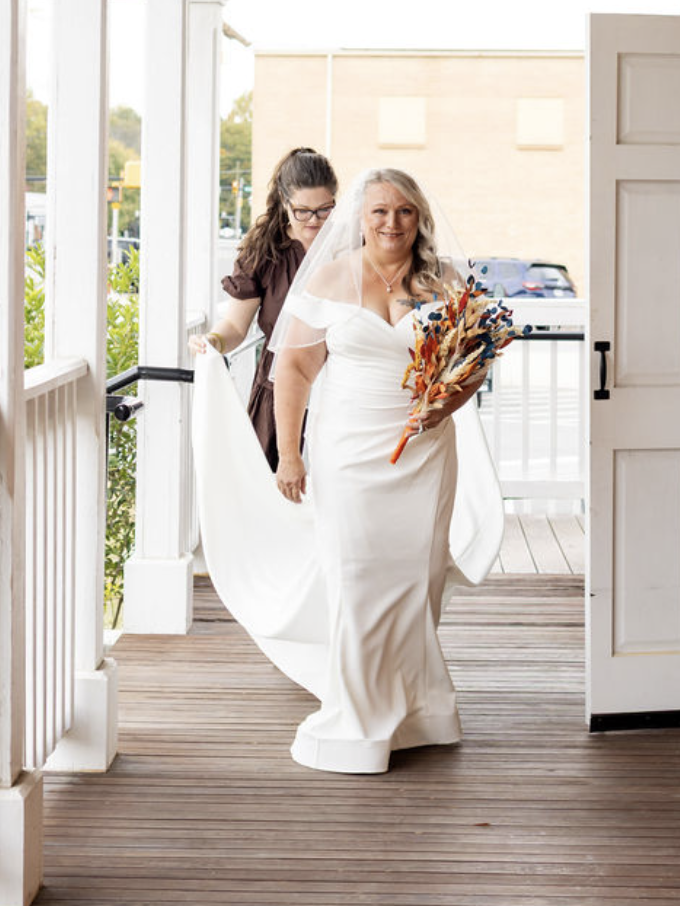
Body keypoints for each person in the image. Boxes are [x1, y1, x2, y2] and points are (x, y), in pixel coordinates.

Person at [190, 167, 503, 776]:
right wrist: (290, 454)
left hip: (423, 453)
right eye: (380, 211)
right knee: (356, 579)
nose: (392, 223)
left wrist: (444, 405)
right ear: (359, 218)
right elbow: (296, 372)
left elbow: (473, 363)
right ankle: (358, 714)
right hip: (348, 455)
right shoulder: (330, 278)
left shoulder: (445, 282)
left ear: (420, 218)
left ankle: (419, 709)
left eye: (405, 212)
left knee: (416, 580)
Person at [189, 146, 338, 470]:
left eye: (324, 210)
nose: (314, 221)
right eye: (302, 211)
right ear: (284, 203)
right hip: (278, 394)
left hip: (341, 392)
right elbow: (236, 327)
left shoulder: (351, 247)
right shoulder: (264, 252)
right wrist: (213, 341)